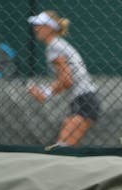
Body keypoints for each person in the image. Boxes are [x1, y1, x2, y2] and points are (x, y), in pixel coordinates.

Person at [26, 11, 100, 147]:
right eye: (35, 25)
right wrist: (46, 90)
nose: (35, 28)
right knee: (65, 147)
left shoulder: (54, 47)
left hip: (84, 100)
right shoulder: (58, 45)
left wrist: (46, 92)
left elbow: (66, 80)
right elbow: (66, 79)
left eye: (40, 25)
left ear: (50, 27)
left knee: (63, 148)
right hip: (83, 99)